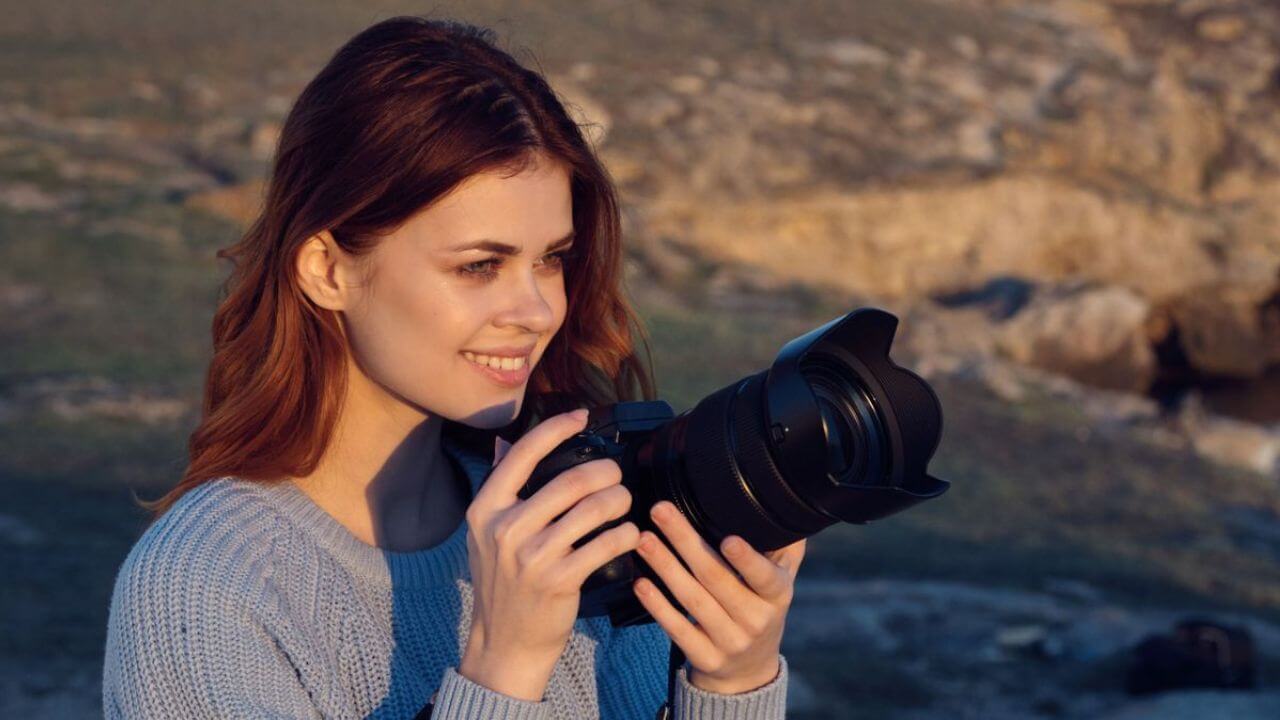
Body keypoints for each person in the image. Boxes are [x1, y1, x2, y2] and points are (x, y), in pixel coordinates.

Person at [101, 15, 805, 719]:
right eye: (479, 266)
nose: (535, 310)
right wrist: (503, 670)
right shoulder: (207, 591)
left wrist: (731, 684)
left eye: (551, 260)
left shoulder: (571, 512)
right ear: (325, 269)